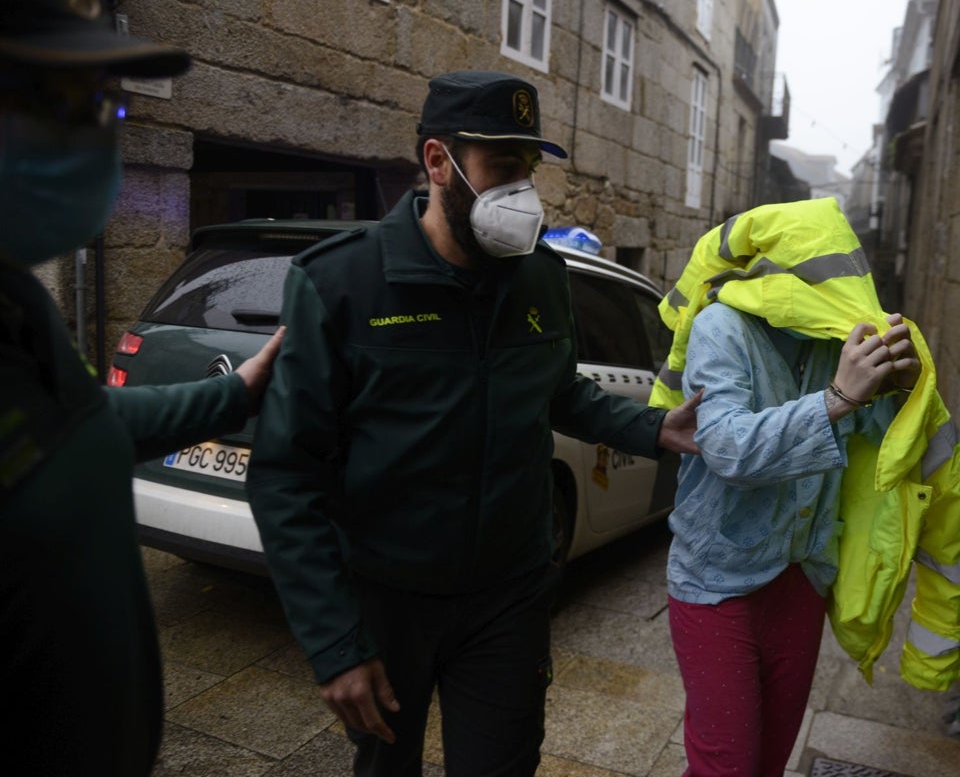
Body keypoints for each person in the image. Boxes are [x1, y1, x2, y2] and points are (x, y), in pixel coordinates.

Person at [246, 69, 701, 776]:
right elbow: (284, 474)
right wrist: (334, 643)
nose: (522, 190)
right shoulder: (342, 283)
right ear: (438, 162)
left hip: (509, 597)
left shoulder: (542, 279)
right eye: (502, 167)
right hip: (387, 598)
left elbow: (561, 393)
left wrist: (656, 427)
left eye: (528, 169)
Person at [0, 0, 285, 775]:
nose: (94, 133)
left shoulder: (16, 304)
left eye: (101, 102)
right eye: (47, 96)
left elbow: (83, 421)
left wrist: (243, 387)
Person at [649, 198, 960, 777]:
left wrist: (900, 392)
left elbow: (892, 456)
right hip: (713, 585)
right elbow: (725, 446)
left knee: (771, 759)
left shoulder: (839, 342)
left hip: (801, 581)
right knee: (727, 764)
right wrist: (838, 399)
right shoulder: (720, 327)